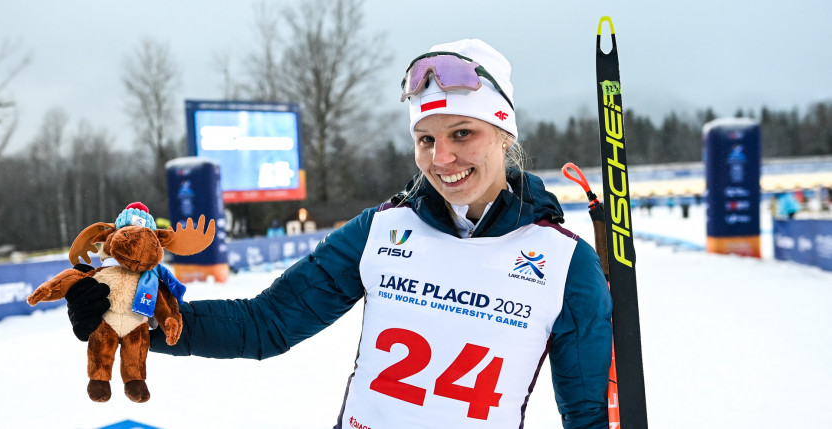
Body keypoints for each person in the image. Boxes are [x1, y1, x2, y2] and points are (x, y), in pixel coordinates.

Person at [65, 39, 612, 428]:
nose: (441, 159)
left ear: (503, 137)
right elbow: (266, 324)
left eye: (461, 134)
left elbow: (587, 415)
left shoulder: (567, 263)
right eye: (425, 139)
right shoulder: (379, 231)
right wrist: (141, 319)